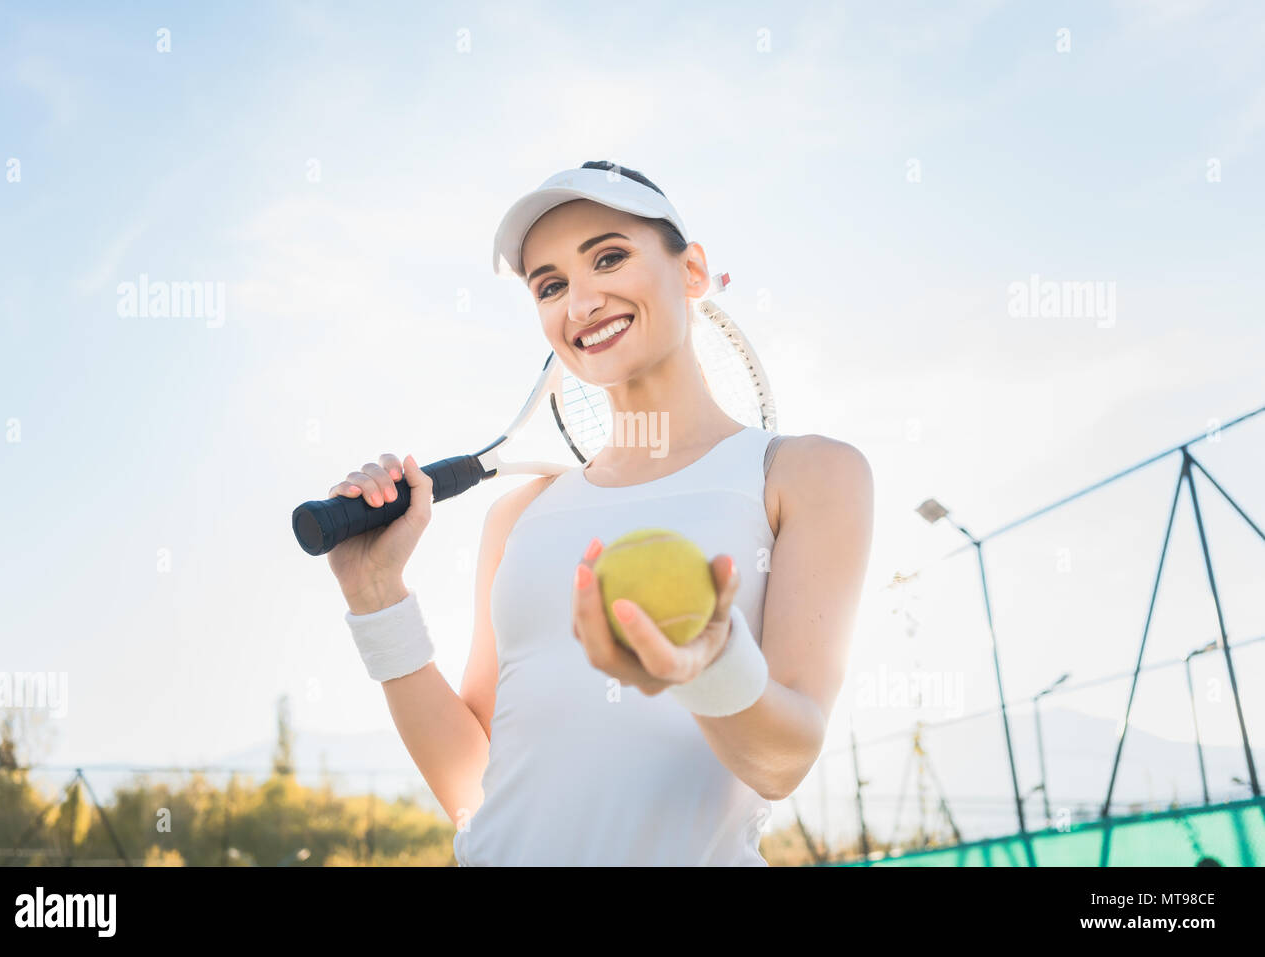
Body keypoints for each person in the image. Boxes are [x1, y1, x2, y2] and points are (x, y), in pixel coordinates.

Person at [323, 161, 874, 865]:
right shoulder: (517, 515)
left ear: (693, 271)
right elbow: (471, 781)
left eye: (608, 256)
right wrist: (377, 601)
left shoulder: (809, 473)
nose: (579, 302)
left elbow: (783, 761)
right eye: (550, 285)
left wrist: (705, 667)